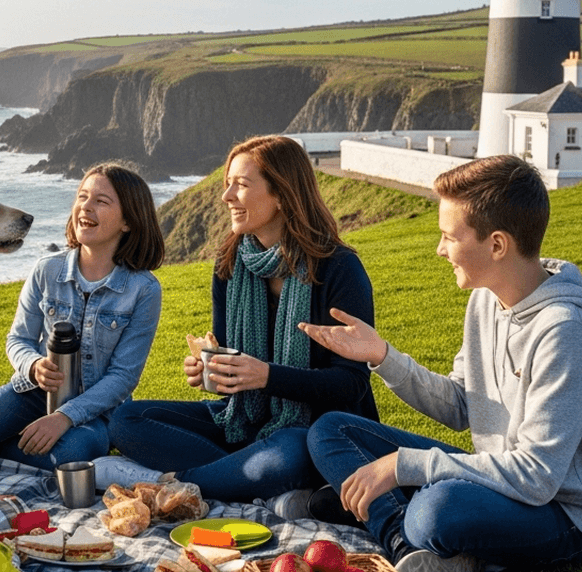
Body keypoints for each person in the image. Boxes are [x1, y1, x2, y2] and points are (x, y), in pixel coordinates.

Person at [300, 155, 582, 572]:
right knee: (331, 429)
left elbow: (536, 476)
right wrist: (382, 356)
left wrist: (405, 466)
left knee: (437, 510)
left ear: (496, 244)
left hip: (565, 515)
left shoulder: (567, 332)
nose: (439, 250)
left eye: (449, 237)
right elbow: (461, 404)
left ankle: (396, 521)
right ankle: (406, 543)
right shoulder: (486, 299)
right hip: (501, 480)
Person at [102, 135, 378, 508]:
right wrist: (212, 373)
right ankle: (249, 480)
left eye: (241, 185)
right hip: (244, 422)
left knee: (289, 451)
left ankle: (171, 488)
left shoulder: (339, 268)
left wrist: (267, 376)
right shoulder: (231, 264)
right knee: (128, 419)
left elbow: (351, 385)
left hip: (314, 431)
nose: (226, 196)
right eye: (227, 184)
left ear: (281, 194)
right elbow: (235, 372)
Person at [0, 162, 164, 472]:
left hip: (97, 410)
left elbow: (123, 377)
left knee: (67, 456)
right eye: (82, 196)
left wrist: (64, 418)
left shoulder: (143, 289)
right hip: (31, 394)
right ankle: (16, 442)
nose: (84, 207)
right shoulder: (46, 270)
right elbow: (18, 340)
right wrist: (34, 365)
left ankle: (38, 441)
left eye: (100, 201)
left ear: (128, 221)